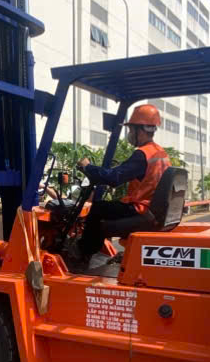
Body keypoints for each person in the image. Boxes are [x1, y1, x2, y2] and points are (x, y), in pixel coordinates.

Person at [73, 104, 170, 267]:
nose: (130, 134)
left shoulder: (142, 154)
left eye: (131, 129)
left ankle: (83, 253)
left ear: (141, 129)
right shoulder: (160, 152)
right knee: (108, 207)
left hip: (141, 209)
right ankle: (91, 252)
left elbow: (114, 178)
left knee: (98, 208)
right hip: (151, 208)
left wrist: (88, 167)